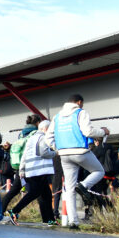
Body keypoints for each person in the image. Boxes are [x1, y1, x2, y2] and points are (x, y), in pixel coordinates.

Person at [45, 94, 109, 229]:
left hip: (64, 154)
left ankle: (73, 221)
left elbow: (48, 138)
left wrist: (57, 148)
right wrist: (103, 131)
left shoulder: (57, 117)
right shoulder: (81, 113)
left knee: (69, 189)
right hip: (80, 152)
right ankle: (84, 185)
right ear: (79, 102)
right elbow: (88, 131)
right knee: (99, 171)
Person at [12, 119, 57, 224]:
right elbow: (43, 153)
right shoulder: (43, 137)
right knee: (34, 193)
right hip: (40, 170)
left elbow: (24, 155)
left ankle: (49, 219)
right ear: (45, 129)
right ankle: (14, 211)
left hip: (31, 169)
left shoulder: (31, 138)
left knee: (46, 194)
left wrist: (22, 169)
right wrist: (55, 153)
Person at [1, 116, 40, 213]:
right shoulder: (35, 133)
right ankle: (14, 211)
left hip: (20, 166)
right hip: (31, 165)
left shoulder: (21, 134)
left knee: (14, 190)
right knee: (35, 191)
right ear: (38, 123)